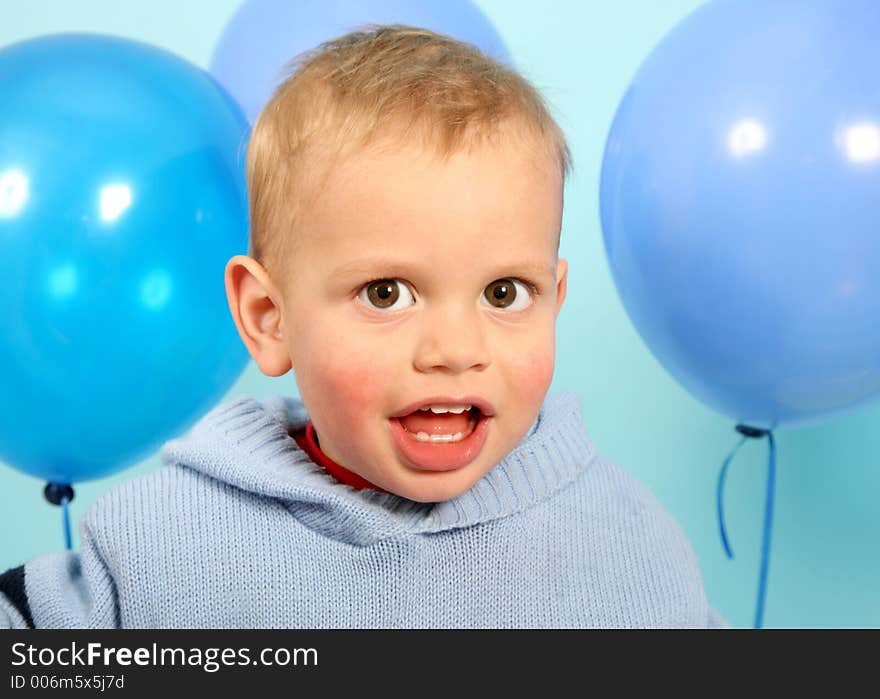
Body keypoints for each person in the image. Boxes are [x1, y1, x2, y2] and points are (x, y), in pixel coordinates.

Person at [0, 25, 727, 628]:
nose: (456, 350)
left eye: (504, 292)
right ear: (268, 317)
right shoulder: (158, 546)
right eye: (387, 292)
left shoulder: (631, 541)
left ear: (556, 297)